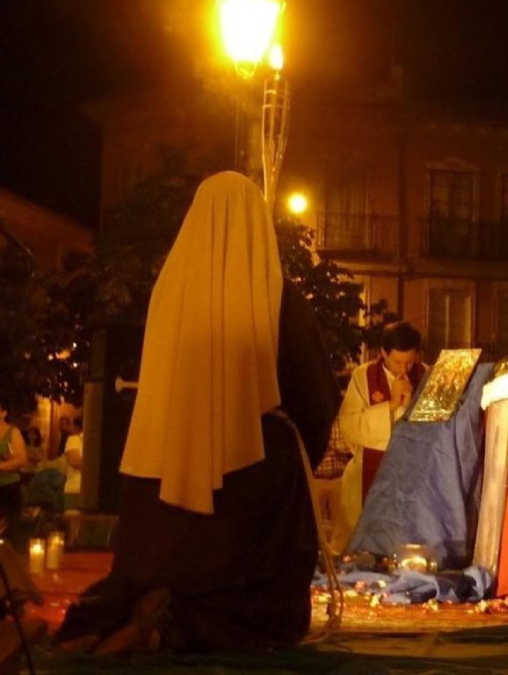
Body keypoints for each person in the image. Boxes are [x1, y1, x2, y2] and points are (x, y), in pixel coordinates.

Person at [57, 172, 339, 654]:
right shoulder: (278, 298)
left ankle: (120, 616)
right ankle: (168, 627)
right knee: (257, 604)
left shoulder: (170, 295)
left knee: (149, 568)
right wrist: (296, 461)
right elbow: (317, 397)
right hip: (255, 469)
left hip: (162, 473)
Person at [336, 321, 427, 550]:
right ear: (383, 353)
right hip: (369, 470)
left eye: (409, 361)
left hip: (413, 474)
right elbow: (349, 426)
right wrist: (391, 404)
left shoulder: (427, 374)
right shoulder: (363, 376)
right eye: (397, 362)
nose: (404, 369)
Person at [0, 399, 28, 533]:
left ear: (3, 413)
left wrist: (2, 466)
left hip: (8, 486)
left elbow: (21, 459)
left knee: (8, 528)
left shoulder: (12, 432)